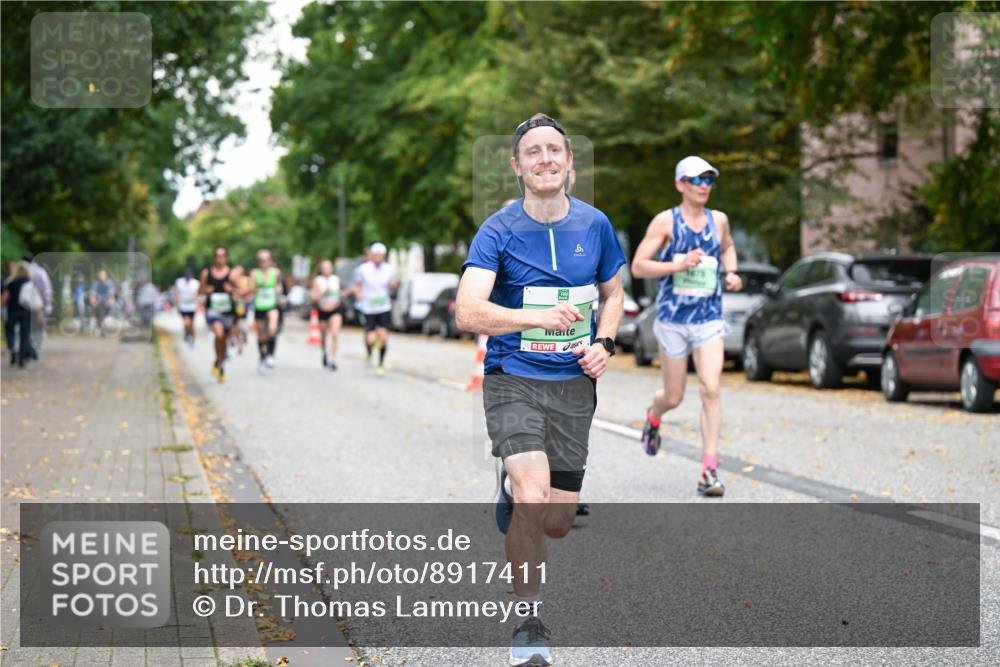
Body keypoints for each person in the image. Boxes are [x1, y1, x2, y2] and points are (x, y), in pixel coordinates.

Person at [455, 113, 626, 666]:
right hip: (513, 382)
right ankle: (528, 624)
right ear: (517, 166)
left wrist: (605, 341)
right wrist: (534, 320)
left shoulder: (595, 225)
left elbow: (615, 294)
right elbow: (467, 311)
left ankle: (511, 490)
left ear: (570, 162)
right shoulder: (498, 231)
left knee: (555, 522)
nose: (546, 158)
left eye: (555, 149)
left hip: (575, 386)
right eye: (534, 152)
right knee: (534, 496)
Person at [631, 155, 742, 497]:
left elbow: (728, 247)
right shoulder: (666, 222)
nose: (704, 186)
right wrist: (677, 266)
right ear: (680, 184)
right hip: (673, 320)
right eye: (697, 180)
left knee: (711, 388)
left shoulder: (718, 220)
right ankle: (654, 415)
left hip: (708, 319)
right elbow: (638, 266)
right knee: (675, 396)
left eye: (709, 180)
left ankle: (709, 469)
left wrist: (732, 271)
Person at [353, 242, 398, 376]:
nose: (378, 258)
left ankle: (380, 363)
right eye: (376, 255)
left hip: (384, 307)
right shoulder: (363, 269)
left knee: (384, 337)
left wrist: (394, 285)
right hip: (369, 308)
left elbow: (394, 285)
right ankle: (369, 351)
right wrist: (358, 293)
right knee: (371, 339)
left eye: (381, 255)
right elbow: (356, 286)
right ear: (372, 256)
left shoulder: (389, 269)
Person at [200, 246, 236, 382]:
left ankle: (219, 362)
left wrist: (231, 289)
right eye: (217, 256)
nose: (220, 259)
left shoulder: (232, 273)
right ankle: (220, 362)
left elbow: (240, 290)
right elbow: (200, 290)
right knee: (218, 333)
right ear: (214, 258)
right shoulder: (207, 273)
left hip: (228, 311)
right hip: (213, 310)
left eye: (223, 256)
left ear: (226, 258)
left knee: (223, 339)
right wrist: (206, 290)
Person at [249, 249, 283, 373]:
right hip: (259, 306)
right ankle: (262, 357)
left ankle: (271, 355)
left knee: (272, 329)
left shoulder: (276, 272)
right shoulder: (254, 273)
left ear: (270, 261)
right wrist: (260, 284)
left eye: (266, 260)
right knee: (261, 336)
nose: (264, 262)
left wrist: (278, 291)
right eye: (261, 260)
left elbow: (279, 285)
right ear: (258, 262)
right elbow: (250, 289)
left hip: (272, 305)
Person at [311, 259, 345, 370]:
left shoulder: (336, 279)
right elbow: (314, 297)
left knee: (335, 333)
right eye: (324, 268)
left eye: (329, 267)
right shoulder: (318, 280)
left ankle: (333, 359)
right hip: (323, 310)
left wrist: (341, 297)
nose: (327, 270)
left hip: (335, 309)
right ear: (321, 269)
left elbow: (340, 294)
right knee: (323, 335)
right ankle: (324, 352)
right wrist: (322, 292)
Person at [2, 262, 35, 368]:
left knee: (10, 330)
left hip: (12, 311)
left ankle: (12, 349)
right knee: (24, 335)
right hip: (26, 311)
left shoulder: (11, 282)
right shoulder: (30, 282)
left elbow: (5, 296)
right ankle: (22, 359)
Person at [22, 252, 52, 359]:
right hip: (38, 304)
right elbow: (47, 288)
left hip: (22, 304)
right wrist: (47, 303)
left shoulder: (20, 271)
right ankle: (36, 348)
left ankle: (27, 347)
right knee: (38, 326)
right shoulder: (40, 271)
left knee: (25, 327)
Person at [173, 267, 200, 347]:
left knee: (191, 324)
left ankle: (193, 338)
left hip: (192, 307)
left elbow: (197, 294)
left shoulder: (196, 283)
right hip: (183, 307)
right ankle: (187, 333)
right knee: (186, 323)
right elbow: (177, 293)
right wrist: (177, 304)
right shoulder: (179, 282)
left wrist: (198, 303)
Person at [89, 269, 116, 336]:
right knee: (99, 312)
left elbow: (111, 294)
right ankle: (101, 327)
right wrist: (93, 300)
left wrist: (111, 299)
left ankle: (101, 327)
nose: (101, 279)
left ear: (105, 277)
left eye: (103, 278)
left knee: (102, 311)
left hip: (106, 301)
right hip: (98, 301)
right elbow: (92, 293)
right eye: (100, 278)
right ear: (98, 277)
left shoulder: (109, 283)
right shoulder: (95, 283)